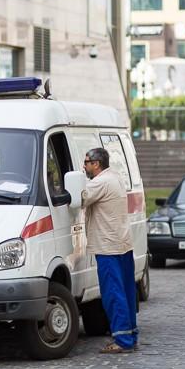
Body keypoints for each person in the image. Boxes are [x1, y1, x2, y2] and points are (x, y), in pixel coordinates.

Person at [81, 148, 137, 354]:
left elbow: (79, 199)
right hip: (123, 244)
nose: (84, 166)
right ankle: (131, 335)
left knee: (113, 293)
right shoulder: (115, 177)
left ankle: (123, 340)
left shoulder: (99, 182)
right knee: (127, 291)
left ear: (96, 164)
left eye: (86, 162)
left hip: (107, 247)